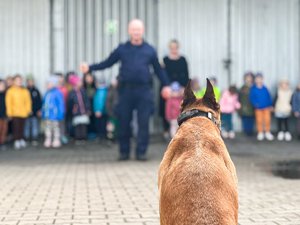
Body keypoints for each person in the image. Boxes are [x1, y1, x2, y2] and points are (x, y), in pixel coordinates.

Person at [80, 19, 169, 161]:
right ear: (129, 31)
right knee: (123, 122)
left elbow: (158, 70)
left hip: (144, 91)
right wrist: (90, 68)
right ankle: (124, 152)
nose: (136, 32)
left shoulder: (149, 50)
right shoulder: (122, 49)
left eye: (138, 29)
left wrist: (166, 85)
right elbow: (107, 62)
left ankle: (141, 152)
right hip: (125, 91)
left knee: (143, 123)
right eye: (133, 29)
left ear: (142, 31)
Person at [160, 39, 189, 139]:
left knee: (180, 109)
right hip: (168, 89)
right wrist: (168, 88)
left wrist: (183, 88)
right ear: (169, 48)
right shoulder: (164, 60)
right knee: (166, 109)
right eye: (172, 47)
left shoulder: (183, 59)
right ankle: (166, 130)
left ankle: (181, 131)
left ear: (178, 47)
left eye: (175, 47)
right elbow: (162, 75)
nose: (174, 49)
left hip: (180, 90)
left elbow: (186, 75)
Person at [5, 75, 32, 149]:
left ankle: (21, 139)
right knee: (16, 127)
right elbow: (8, 103)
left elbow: (28, 101)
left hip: (23, 112)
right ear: (14, 81)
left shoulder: (25, 91)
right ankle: (16, 140)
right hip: (15, 113)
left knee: (22, 127)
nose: (19, 82)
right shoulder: (10, 91)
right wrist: (9, 113)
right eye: (17, 80)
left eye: (20, 80)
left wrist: (28, 110)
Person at [249, 73, 274, 141]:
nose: (259, 80)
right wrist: (255, 104)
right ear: (255, 80)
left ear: (262, 79)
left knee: (267, 120)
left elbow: (269, 97)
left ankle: (267, 132)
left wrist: (270, 105)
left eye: (260, 79)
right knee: (259, 120)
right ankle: (260, 132)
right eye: (257, 79)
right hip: (258, 108)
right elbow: (251, 98)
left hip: (266, 107)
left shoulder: (265, 88)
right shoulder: (253, 89)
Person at [42, 76, 65, 148]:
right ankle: (48, 139)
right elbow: (44, 104)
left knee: (56, 128)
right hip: (47, 115)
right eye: (47, 84)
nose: (48, 85)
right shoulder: (46, 93)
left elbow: (61, 104)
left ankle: (56, 140)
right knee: (47, 128)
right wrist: (43, 113)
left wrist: (60, 114)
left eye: (49, 83)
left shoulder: (57, 93)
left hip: (55, 115)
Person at [67, 75, 91, 143]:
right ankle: (78, 138)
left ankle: (84, 138)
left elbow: (86, 101)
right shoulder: (71, 93)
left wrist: (88, 109)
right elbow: (70, 103)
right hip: (76, 112)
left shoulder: (83, 91)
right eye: (79, 81)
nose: (81, 82)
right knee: (77, 126)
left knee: (83, 125)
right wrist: (73, 110)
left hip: (83, 112)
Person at [24, 75, 42, 146]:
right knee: (27, 125)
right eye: (29, 81)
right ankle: (27, 138)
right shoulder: (24, 90)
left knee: (34, 125)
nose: (30, 83)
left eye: (31, 81)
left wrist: (39, 110)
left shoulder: (36, 91)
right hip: (26, 112)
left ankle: (34, 138)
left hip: (35, 112)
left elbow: (39, 101)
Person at [238, 72, 255, 136]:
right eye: (247, 78)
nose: (249, 79)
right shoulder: (243, 88)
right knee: (245, 119)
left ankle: (250, 132)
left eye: (250, 78)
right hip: (244, 107)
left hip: (252, 107)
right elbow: (239, 97)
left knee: (251, 119)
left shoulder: (254, 87)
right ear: (245, 79)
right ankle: (246, 132)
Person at [55, 72, 69, 144]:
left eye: (61, 77)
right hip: (54, 111)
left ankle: (62, 136)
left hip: (63, 110)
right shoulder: (53, 89)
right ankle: (55, 137)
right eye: (58, 77)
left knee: (62, 124)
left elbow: (67, 99)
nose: (60, 79)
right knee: (54, 125)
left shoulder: (65, 89)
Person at [83, 72, 97, 139]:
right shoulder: (83, 87)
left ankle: (93, 133)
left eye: (90, 78)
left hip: (94, 105)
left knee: (93, 120)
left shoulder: (95, 87)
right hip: (85, 106)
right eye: (87, 78)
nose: (89, 79)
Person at [0, 79, 7, 150]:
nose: (2, 86)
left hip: (4, 115)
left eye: (3, 85)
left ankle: (2, 142)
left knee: (4, 130)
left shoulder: (6, 94)